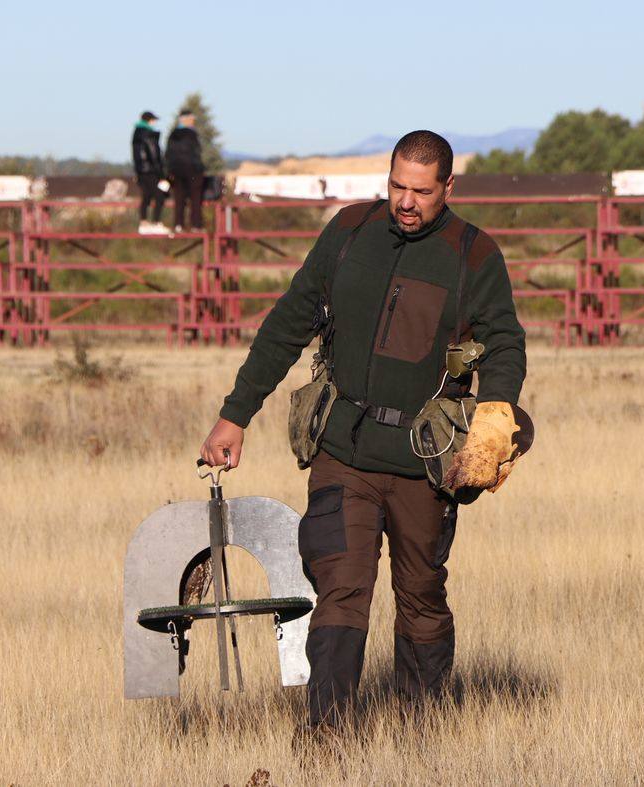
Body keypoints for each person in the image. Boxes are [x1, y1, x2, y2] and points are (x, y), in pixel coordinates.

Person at [198, 130, 528, 737]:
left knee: (421, 596)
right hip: (343, 451)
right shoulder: (349, 232)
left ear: (448, 188)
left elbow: (504, 341)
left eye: (422, 191)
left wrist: (496, 411)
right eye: (398, 185)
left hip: (423, 464)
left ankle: (420, 735)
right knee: (341, 590)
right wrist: (236, 413)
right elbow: (289, 322)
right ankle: (326, 742)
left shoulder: (473, 255)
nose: (406, 201)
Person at [164, 109, 205, 232]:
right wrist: (199, 169)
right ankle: (196, 225)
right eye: (191, 119)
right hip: (192, 170)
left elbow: (168, 154)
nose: (193, 121)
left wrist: (170, 171)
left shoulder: (173, 134)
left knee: (179, 198)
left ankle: (178, 224)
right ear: (185, 119)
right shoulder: (192, 134)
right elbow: (196, 153)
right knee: (195, 198)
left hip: (176, 171)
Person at [130, 111, 167, 234]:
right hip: (150, 171)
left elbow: (136, 156)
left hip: (141, 171)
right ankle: (156, 222)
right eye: (153, 120)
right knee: (159, 196)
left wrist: (137, 171)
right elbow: (154, 155)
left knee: (146, 196)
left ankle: (143, 222)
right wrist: (161, 173)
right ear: (149, 120)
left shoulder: (136, 134)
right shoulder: (148, 135)